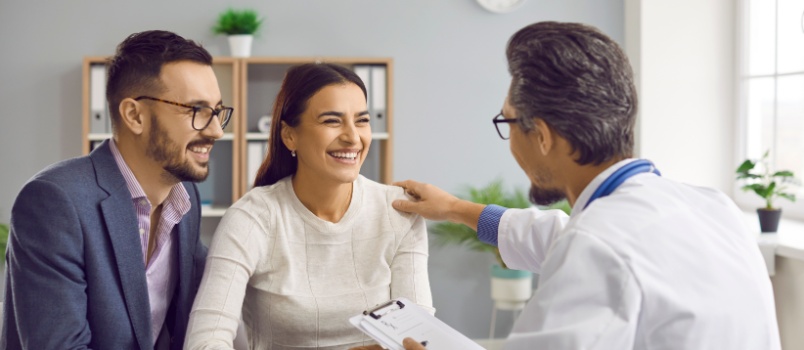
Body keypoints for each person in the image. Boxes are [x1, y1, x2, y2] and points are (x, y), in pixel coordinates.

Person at [390, 21, 780, 349]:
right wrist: (455, 208)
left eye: (507, 122)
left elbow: (589, 245)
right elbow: (559, 236)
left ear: (542, 136)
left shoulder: (598, 244)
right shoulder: (712, 207)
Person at [1, 30, 230, 350]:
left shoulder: (185, 196)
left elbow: (212, 296)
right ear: (135, 115)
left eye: (218, 112)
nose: (216, 130)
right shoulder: (54, 202)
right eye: (196, 110)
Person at [184, 63, 433, 350]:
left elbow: (417, 333)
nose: (353, 137)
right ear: (290, 135)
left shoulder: (398, 212)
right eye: (332, 121)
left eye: (362, 120)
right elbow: (205, 341)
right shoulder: (251, 218)